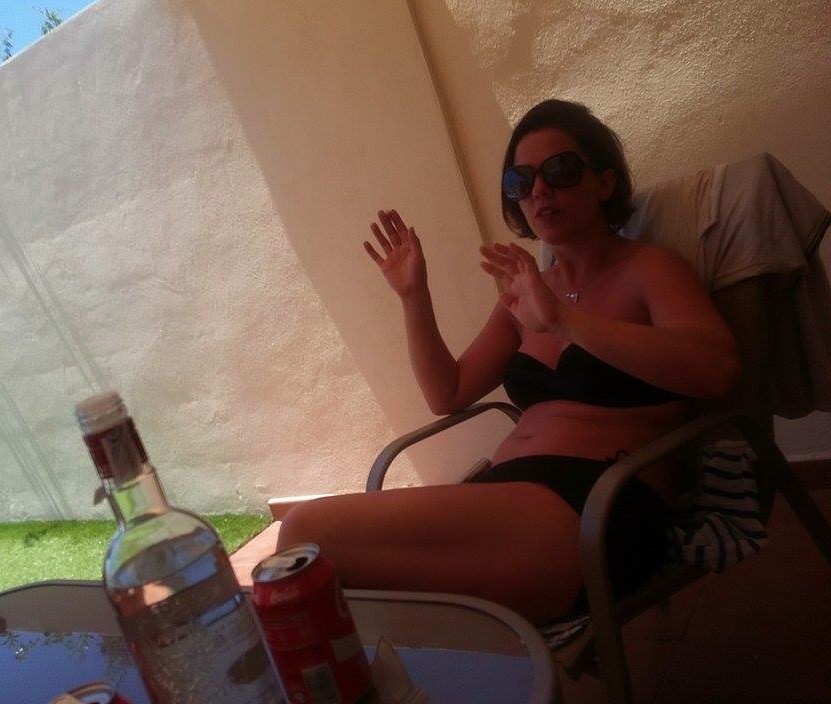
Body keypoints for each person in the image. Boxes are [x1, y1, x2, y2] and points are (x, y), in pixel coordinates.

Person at [277, 99, 741, 624]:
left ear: (605, 183)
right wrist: (413, 296)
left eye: (560, 170)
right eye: (521, 180)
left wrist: (564, 322)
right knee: (328, 573)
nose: (539, 190)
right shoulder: (525, 293)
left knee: (306, 537)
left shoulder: (650, 270)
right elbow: (447, 393)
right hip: (511, 496)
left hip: (600, 503)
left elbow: (717, 369)